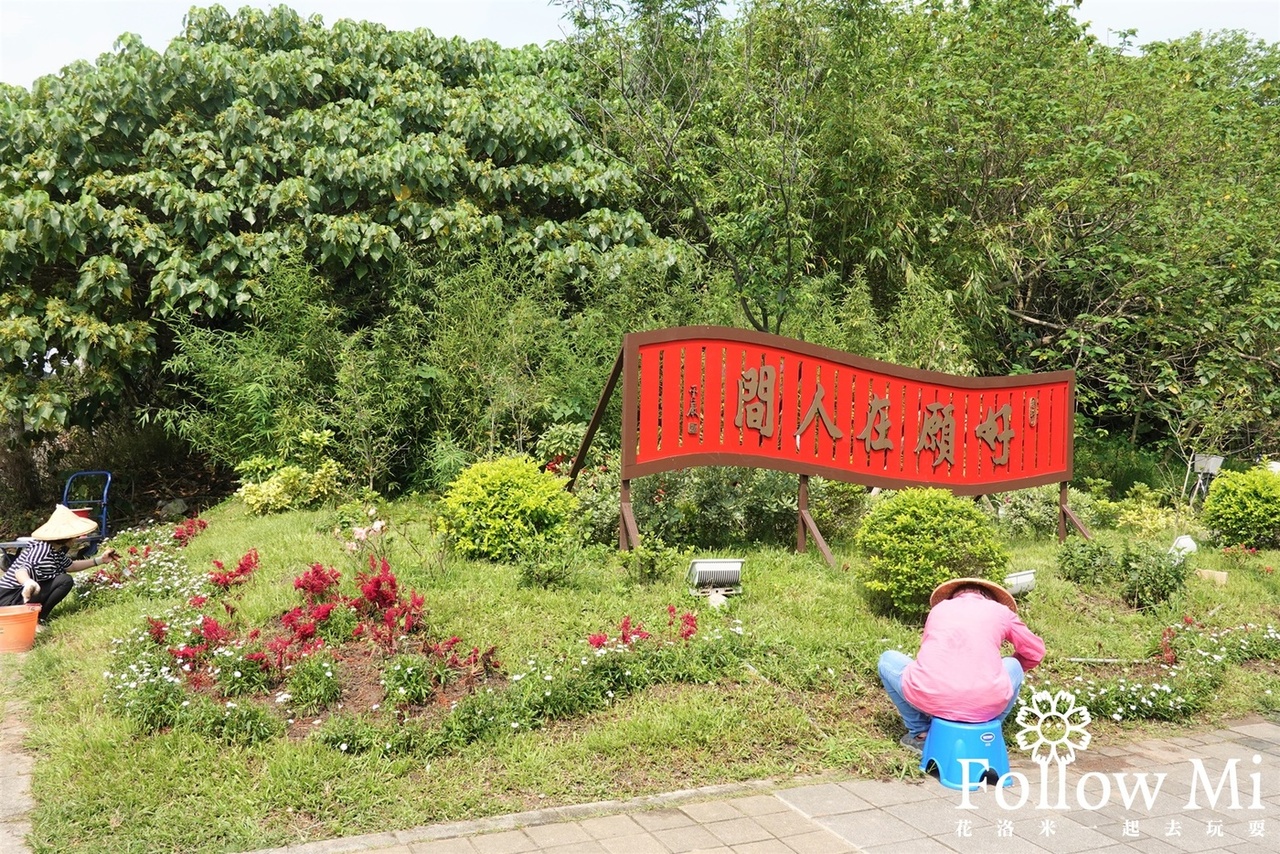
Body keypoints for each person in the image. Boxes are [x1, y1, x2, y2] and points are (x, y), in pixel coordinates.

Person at [878, 577, 1045, 753]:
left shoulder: (939, 609)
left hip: (930, 695)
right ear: (988, 597)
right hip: (984, 704)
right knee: (1014, 665)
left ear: (954, 596)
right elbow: (1035, 651)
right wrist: (1007, 671)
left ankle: (921, 733)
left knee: (887, 659)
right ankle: (988, 731)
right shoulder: (1001, 611)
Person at [0, 504, 119, 628]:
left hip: (20, 595)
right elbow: (21, 570)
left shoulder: (55, 550)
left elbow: (70, 566)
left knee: (64, 579)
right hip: (9, 597)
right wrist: (28, 582)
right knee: (64, 580)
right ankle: (34, 620)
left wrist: (101, 560)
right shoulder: (41, 549)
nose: (77, 538)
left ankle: (37, 619)